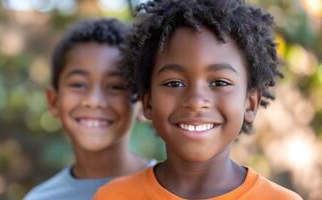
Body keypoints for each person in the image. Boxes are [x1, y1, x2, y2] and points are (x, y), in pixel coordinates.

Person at [93, 0, 303, 199]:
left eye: (219, 83)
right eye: (174, 83)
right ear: (148, 102)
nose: (195, 101)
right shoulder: (113, 196)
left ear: (250, 102)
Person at [24, 18, 154, 200]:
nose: (94, 101)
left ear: (143, 103)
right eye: (78, 84)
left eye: (115, 86)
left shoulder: (175, 190)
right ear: (54, 102)